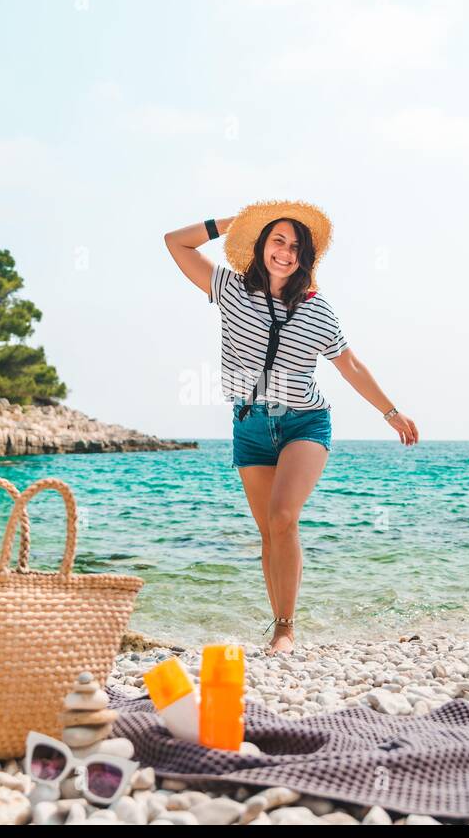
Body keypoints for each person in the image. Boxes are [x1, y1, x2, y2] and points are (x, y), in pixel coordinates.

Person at [164, 200, 418, 655]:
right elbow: (175, 243)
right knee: (270, 532)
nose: (285, 251)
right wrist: (231, 223)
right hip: (250, 425)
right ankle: (279, 620)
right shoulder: (229, 288)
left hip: (305, 423)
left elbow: (351, 365)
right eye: (277, 240)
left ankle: (286, 631)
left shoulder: (318, 310)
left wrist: (390, 411)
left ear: (306, 258)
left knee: (283, 518)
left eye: (296, 246)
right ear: (261, 245)